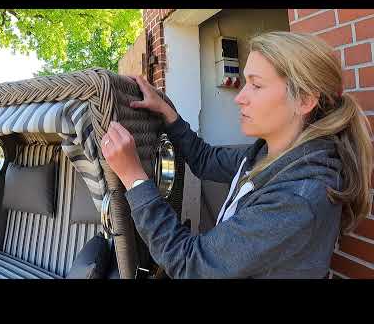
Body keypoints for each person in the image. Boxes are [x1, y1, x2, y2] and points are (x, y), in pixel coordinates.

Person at [100, 31, 373, 279]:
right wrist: (167, 113)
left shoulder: (296, 197)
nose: (239, 97)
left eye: (256, 85)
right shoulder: (269, 156)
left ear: (304, 100)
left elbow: (190, 265)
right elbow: (205, 160)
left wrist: (134, 179)